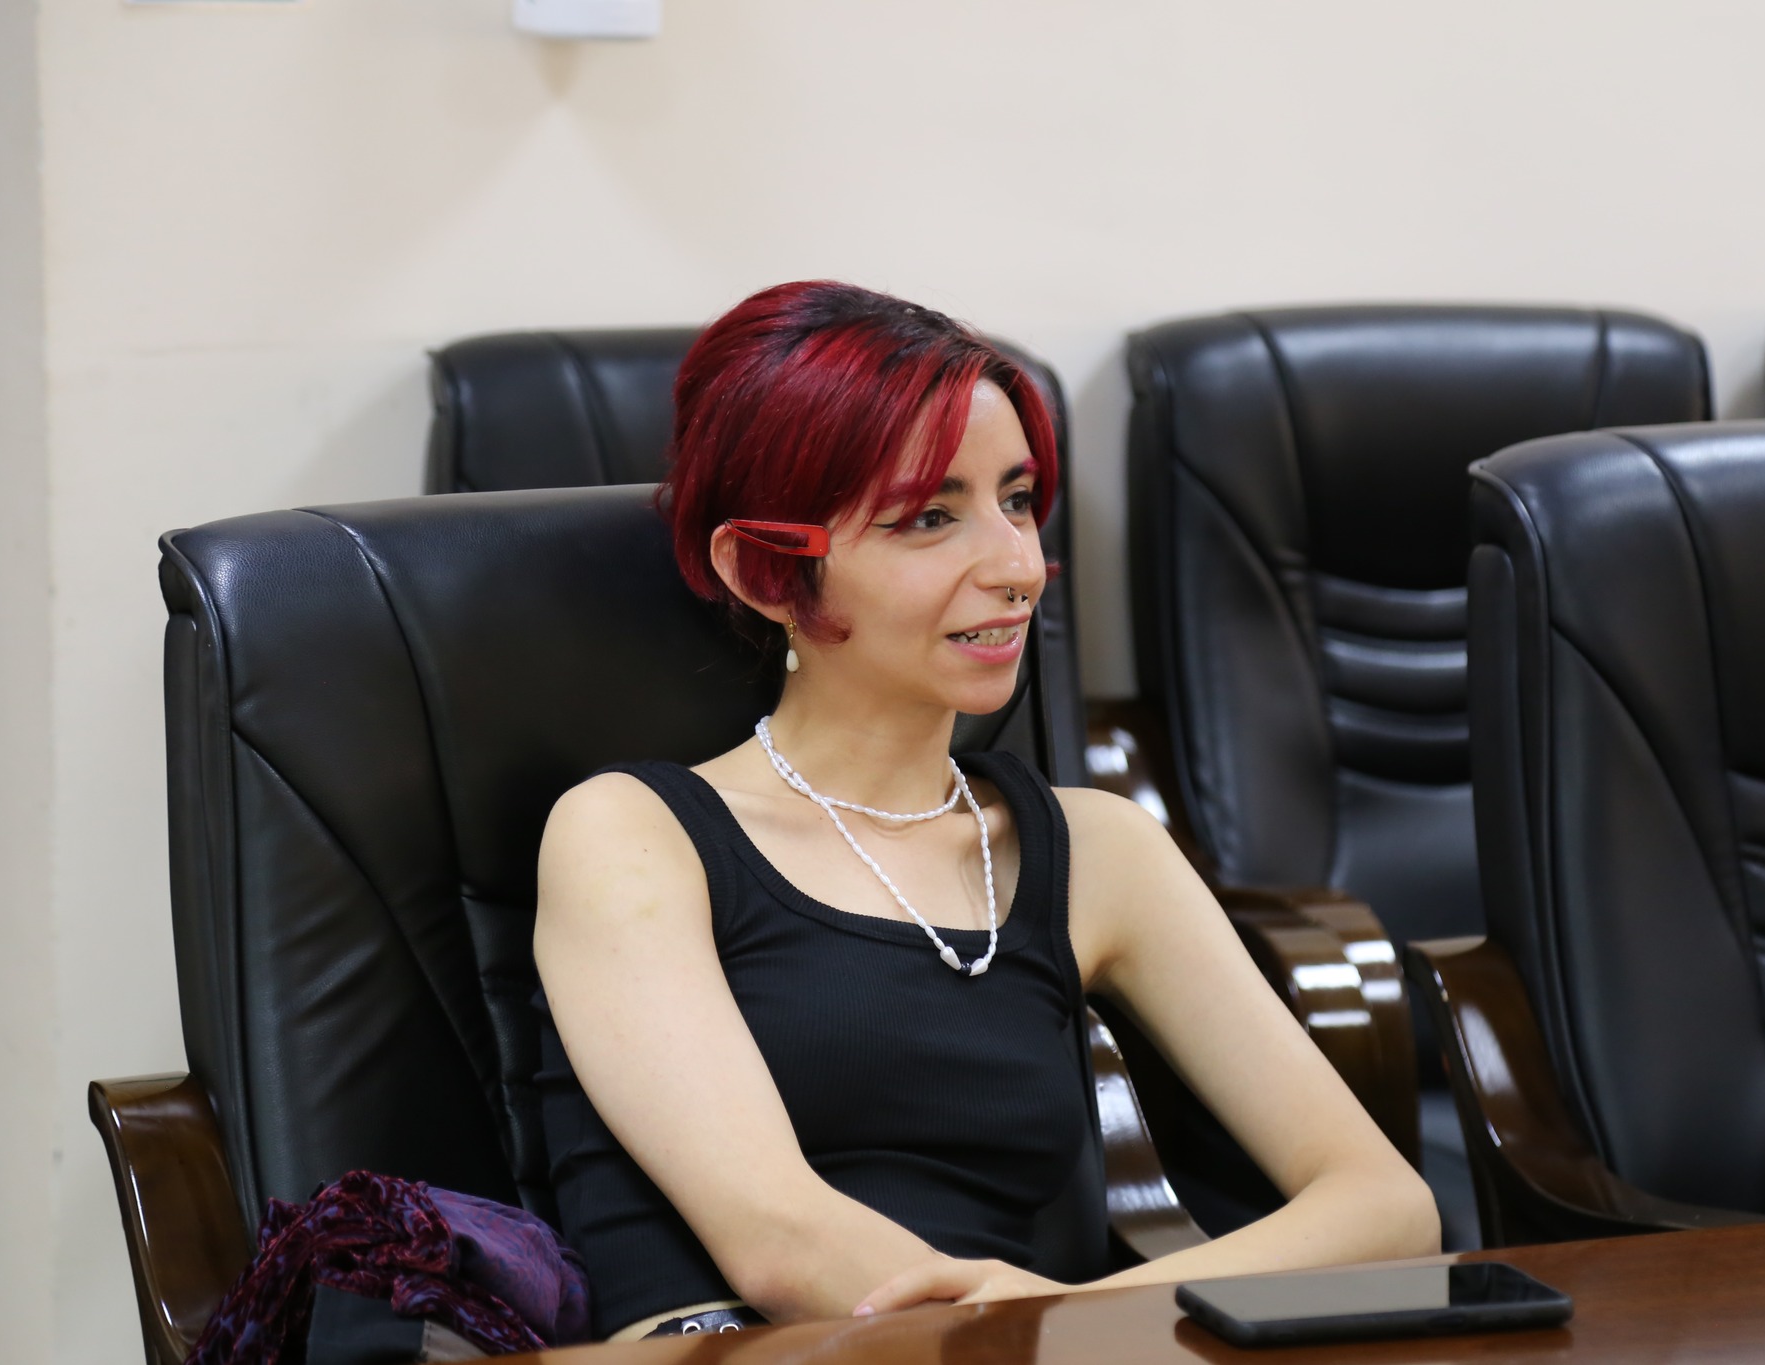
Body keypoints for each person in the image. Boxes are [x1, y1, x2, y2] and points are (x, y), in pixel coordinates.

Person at [532, 281, 1438, 1341]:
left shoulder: (1097, 848)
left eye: (1016, 499)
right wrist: (1035, 1333)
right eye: (930, 517)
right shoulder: (632, 834)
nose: (1017, 567)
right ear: (766, 571)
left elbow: (1386, 1207)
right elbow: (779, 1241)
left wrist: (1074, 1319)